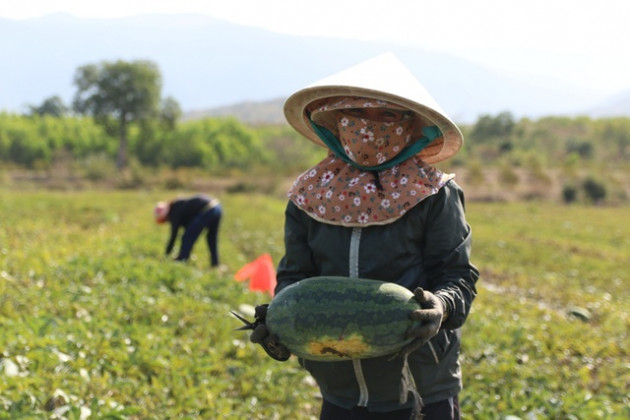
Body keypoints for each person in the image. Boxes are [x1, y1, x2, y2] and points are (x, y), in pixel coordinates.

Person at [252, 53, 479, 420]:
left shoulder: (433, 194)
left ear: (411, 126)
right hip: (340, 390)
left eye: (387, 116)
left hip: (420, 387)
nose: (370, 126)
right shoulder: (310, 194)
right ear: (338, 121)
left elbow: (458, 277)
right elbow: (296, 276)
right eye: (357, 114)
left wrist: (441, 305)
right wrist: (281, 326)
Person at [154, 194, 222, 267]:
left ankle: (182, 260)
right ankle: (215, 263)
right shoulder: (178, 205)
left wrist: (166, 254)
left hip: (207, 210)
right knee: (211, 237)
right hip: (217, 207)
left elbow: (174, 235)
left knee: (187, 236)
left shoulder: (174, 212)